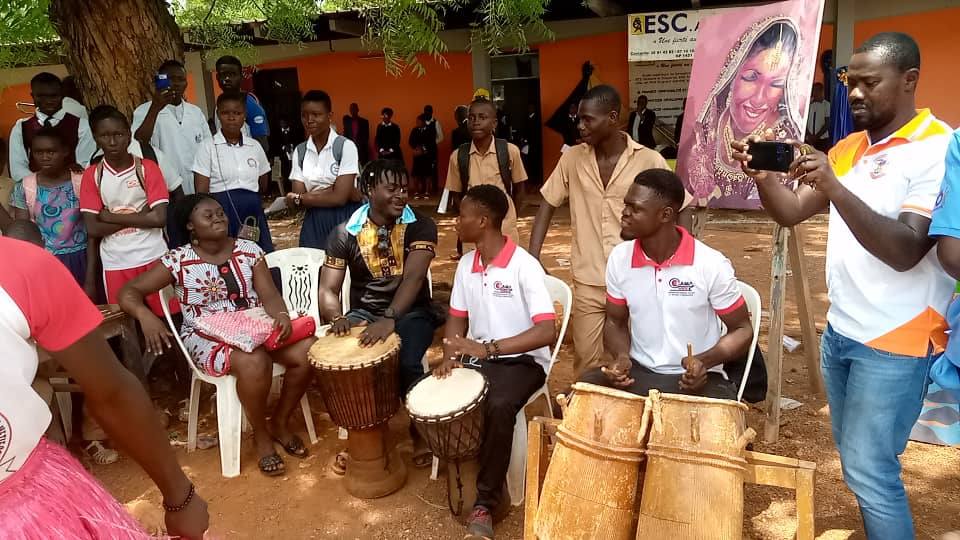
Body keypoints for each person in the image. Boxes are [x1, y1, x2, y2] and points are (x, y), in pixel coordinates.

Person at [731, 32, 953, 539]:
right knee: (858, 463)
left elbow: (905, 250)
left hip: (896, 341)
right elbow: (789, 212)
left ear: (909, 81)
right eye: (851, 83)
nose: (855, 94)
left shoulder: (938, 150)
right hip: (843, 333)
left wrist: (833, 185)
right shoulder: (851, 147)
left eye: (870, 83)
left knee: (872, 472)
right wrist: (764, 175)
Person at [0, 235, 209, 538]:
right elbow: (112, 393)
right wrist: (181, 498)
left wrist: (180, 497)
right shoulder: (20, 266)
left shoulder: (20, 267)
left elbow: (112, 393)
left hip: (37, 500)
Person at [119, 194, 315, 477]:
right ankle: (261, 435)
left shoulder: (249, 250)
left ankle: (280, 422)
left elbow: (270, 296)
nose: (218, 218)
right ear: (190, 225)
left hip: (253, 326)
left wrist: (281, 316)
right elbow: (128, 292)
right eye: (208, 215)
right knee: (253, 361)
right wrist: (146, 316)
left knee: (307, 351)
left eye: (220, 213)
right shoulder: (178, 260)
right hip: (205, 334)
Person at [530, 85, 694, 377]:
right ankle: (587, 419)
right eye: (578, 118)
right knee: (586, 362)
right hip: (588, 280)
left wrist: (681, 262)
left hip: (639, 278)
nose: (580, 126)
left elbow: (681, 208)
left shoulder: (648, 160)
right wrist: (533, 258)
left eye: (588, 119)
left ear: (613, 118)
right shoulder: (572, 159)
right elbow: (547, 203)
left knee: (638, 359)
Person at [437, 184, 556, 540]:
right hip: (481, 358)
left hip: (524, 362)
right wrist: (449, 356)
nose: (457, 222)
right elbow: (457, 317)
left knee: (499, 405)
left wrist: (488, 349)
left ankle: (486, 502)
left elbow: (546, 332)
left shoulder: (524, 267)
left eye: (463, 215)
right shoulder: (465, 265)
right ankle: (463, 466)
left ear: (484, 221)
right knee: (433, 389)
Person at [578, 169, 751, 399]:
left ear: (666, 214)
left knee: (714, 427)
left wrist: (704, 361)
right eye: (626, 205)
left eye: (636, 208)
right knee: (579, 397)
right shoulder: (620, 258)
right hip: (640, 372)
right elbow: (614, 322)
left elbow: (742, 329)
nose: (624, 214)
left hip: (697, 379)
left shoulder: (710, 264)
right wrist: (621, 357)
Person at [319, 159, 441, 406]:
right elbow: (328, 288)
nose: (401, 195)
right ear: (369, 190)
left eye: (404, 189)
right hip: (364, 313)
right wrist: (337, 317)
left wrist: (390, 318)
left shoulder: (421, 225)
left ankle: (419, 426)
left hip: (412, 312)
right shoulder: (345, 233)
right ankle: (368, 423)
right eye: (392, 189)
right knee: (345, 359)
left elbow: (414, 278)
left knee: (407, 362)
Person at [689, 19, 802, 207]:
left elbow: (784, 209)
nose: (759, 99)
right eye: (751, 78)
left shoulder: (786, 142)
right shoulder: (709, 123)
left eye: (776, 84)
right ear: (732, 75)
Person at [80, 105, 170, 313]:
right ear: (96, 138)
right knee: (125, 322)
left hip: (154, 255)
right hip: (115, 261)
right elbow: (93, 228)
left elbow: (159, 218)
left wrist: (109, 217)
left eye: (119, 134)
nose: (112, 142)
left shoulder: (147, 168)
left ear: (129, 135)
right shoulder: (92, 175)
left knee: (167, 315)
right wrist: (141, 215)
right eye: (105, 135)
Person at [10, 127, 96, 296]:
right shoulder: (25, 187)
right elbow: (24, 237)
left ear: (65, 151)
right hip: (45, 264)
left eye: (51, 151)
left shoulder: (82, 181)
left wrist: (90, 279)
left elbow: (94, 233)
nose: (45, 157)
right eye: (38, 152)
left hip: (82, 259)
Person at [194, 92, 274, 253]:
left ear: (244, 115)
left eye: (237, 113)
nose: (231, 118)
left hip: (252, 210)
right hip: (221, 211)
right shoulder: (207, 146)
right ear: (218, 114)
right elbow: (201, 191)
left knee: (258, 256)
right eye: (225, 113)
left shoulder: (254, 146)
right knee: (228, 256)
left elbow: (263, 183)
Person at [285, 90, 363, 251]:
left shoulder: (345, 147)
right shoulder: (300, 152)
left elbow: (340, 199)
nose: (309, 120)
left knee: (347, 269)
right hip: (314, 222)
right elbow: (298, 203)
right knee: (314, 268)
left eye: (316, 114)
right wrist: (333, 190)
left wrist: (302, 197)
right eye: (304, 115)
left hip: (344, 218)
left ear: (329, 115)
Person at [445, 98, 528, 245]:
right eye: (471, 118)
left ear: (494, 123)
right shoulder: (458, 156)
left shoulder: (509, 151)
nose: (476, 122)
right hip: (473, 233)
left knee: (505, 266)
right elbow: (456, 194)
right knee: (475, 267)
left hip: (505, 229)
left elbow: (519, 189)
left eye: (482, 117)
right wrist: (469, 218)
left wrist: (510, 217)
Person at [133, 60, 212, 195]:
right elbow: (138, 142)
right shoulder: (143, 111)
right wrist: (155, 108)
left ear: (186, 83)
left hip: (197, 185)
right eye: (170, 79)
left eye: (180, 79)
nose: (175, 83)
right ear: (159, 81)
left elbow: (208, 147)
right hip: (166, 186)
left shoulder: (195, 112)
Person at [9, 72, 96, 183]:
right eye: (42, 96)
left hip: (73, 190)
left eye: (53, 96)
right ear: (33, 96)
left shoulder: (82, 126)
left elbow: (85, 165)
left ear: (62, 95)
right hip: (33, 191)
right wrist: (41, 186)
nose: (48, 101)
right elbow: (18, 169)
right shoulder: (21, 128)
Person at [214, 55, 270, 153]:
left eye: (232, 74)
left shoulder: (249, 104)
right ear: (217, 77)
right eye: (224, 74)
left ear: (241, 76)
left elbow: (262, 145)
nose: (227, 78)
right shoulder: (217, 107)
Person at [409, 114, 436, 200]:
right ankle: (416, 191)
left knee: (427, 174)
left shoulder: (430, 130)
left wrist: (424, 149)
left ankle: (427, 192)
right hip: (417, 156)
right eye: (417, 122)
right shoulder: (415, 130)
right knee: (416, 174)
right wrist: (416, 148)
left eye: (419, 121)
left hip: (427, 156)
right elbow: (411, 141)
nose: (417, 123)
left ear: (424, 122)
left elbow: (432, 143)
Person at [805, 81, 832, 152]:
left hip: (822, 139)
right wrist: (809, 135)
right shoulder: (808, 104)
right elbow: (804, 121)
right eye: (814, 90)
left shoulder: (826, 105)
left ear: (821, 91)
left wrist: (816, 137)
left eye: (817, 90)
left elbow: (827, 123)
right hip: (809, 138)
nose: (815, 93)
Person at [423, 105, 442, 194]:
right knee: (423, 169)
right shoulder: (421, 121)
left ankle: (434, 189)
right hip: (423, 150)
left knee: (433, 169)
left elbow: (441, 137)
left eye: (428, 111)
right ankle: (424, 189)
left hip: (432, 150)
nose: (427, 113)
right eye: (425, 111)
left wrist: (432, 144)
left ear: (432, 112)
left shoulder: (435, 122)